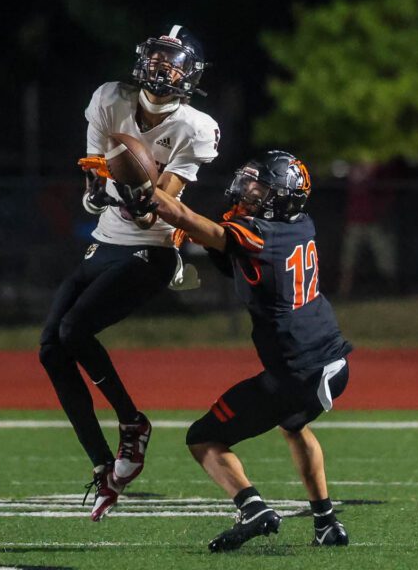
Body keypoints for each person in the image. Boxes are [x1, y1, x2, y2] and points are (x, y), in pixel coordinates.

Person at [116, 150, 353, 551]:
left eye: (259, 189)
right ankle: (327, 523)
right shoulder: (300, 225)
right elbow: (228, 248)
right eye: (249, 183)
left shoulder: (261, 234)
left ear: (281, 198)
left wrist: (147, 193)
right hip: (333, 361)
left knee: (203, 437)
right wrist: (191, 231)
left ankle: (252, 507)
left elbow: (197, 224)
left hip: (295, 371)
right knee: (294, 426)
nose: (247, 191)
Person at [38, 25, 220, 522]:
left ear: (191, 74)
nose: (163, 68)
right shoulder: (108, 99)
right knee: (52, 347)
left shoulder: (196, 126)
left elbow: (159, 205)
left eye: (174, 61)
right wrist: (98, 192)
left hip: (155, 248)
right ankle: (102, 465)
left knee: (76, 329)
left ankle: (133, 422)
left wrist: (134, 195)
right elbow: (94, 179)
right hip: (107, 239)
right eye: (157, 56)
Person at [337, 161, 399, 298]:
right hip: (355, 221)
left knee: (384, 255)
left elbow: (387, 195)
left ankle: (390, 289)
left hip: (373, 221)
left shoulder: (380, 173)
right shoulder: (353, 169)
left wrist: (380, 213)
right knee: (348, 258)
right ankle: (344, 292)